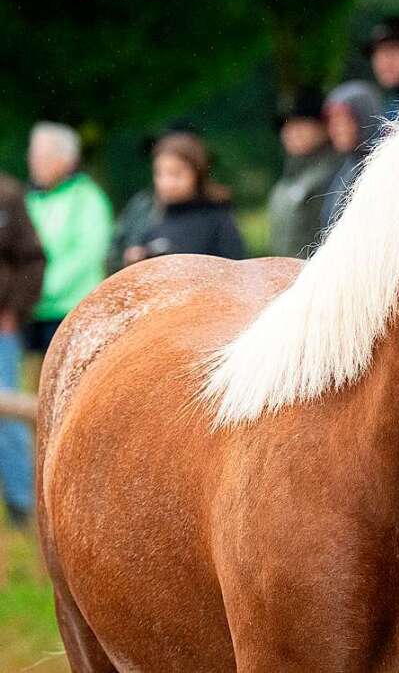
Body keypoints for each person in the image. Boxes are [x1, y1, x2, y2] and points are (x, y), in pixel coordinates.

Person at [24, 122, 113, 357]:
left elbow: (87, 255)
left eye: (43, 156)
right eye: (32, 154)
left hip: (71, 312)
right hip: (30, 313)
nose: (34, 162)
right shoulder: (30, 199)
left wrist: (38, 287)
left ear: (67, 160)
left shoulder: (88, 199)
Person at [121, 132, 244, 264]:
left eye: (175, 174)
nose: (166, 183)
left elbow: (234, 271)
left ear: (197, 173)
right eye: (160, 174)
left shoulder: (217, 220)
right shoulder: (151, 217)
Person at [0, 174, 44, 527]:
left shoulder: (8, 195)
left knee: (8, 417)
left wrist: (15, 311)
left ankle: (21, 508)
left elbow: (33, 258)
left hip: (2, 328)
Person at [268, 87, 338, 258]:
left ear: (324, 127)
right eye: (287, 125)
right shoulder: (288, 178)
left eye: (302, 123)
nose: (292, 132)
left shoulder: (336, 173)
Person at [319, 81, 384, 228]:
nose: (335, 130)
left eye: (342, 121)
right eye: (331, 122)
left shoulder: (381, 170)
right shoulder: (347, 168)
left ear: (364, 119)